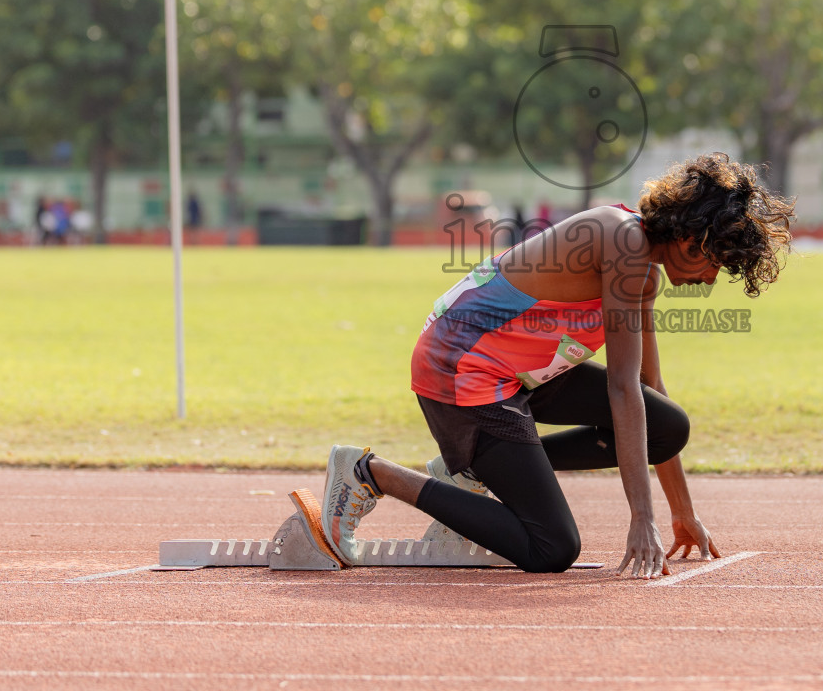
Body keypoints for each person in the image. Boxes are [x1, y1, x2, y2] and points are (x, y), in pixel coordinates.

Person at [317, 153, 794, 579]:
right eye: (718, 262)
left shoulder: (646, 266)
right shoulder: (626, 246)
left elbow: (651, 386)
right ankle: (370, 472)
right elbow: (623, 391)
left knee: (669, 426)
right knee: (551, 547)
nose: (712, 278)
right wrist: (640, 518)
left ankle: (473, 470)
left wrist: (682, 512)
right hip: (461, 365)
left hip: (521, 370)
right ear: (691, 239)